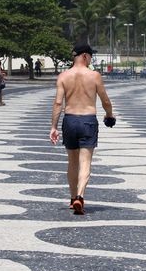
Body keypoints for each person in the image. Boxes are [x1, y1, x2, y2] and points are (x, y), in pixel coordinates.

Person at [49, 43, 115, 215]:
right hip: (88, 120)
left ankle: (72, 199)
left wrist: (53, 127)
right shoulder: (94, 76)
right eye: (91, 56)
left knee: (72, 162)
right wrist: (110, 115)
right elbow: (105, 100)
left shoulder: (63, 76)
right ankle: (80, 196)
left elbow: (57, 103)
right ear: (85, 56)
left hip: (69, 120)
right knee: (85, 161)